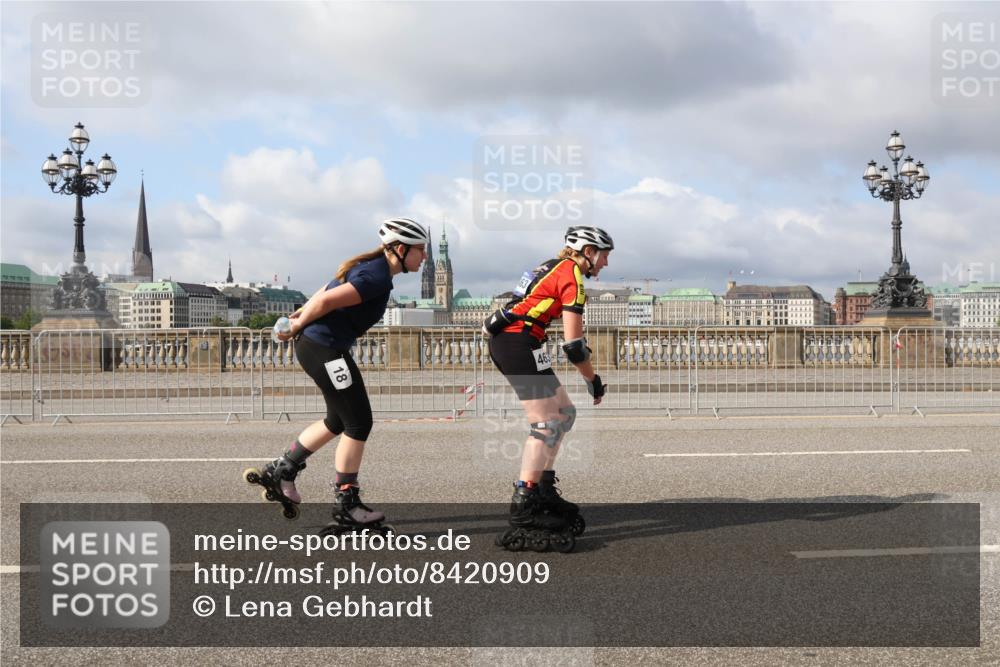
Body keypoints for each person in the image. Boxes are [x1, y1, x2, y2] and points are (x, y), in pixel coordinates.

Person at [243, 217, 429, 526]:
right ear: (400, 248)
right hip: (325, 349)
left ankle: (282, 470)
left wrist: (300, 315)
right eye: (420, 250)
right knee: (358, 422)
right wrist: (299, 323)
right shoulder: (375, 276)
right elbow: (328, 299)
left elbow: (325, 288)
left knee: (337, 419)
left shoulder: (371, 268)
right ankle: (347, 503)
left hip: (322, 347)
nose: (423, 257)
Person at [486, 225, 613, 552]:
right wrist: (592, 379)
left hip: (520, 341)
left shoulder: (549, 265)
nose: (606, 264)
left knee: (564, 414)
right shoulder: (572, 275)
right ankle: (524, 504)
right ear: (589, 252)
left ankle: (542, 488)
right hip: (518, 342)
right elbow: (574, 346)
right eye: (604, 256)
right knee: (545, 424)